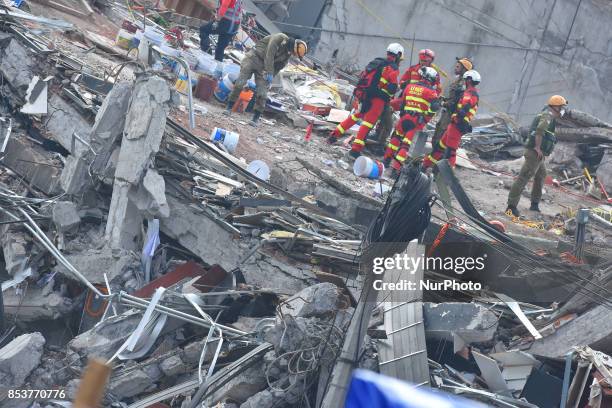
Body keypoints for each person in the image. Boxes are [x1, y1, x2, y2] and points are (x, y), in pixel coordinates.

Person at [328, 43, 402, 160]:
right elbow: (392, 88)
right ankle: (355, 150)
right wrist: (396, 88)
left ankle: (333, 135)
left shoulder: (377, 61)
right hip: (378, 100)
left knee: (356, 116)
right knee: (367, 124)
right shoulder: (392, 67)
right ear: (398, 55)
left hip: (365, 94)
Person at [224, 33, 307, 126]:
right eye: (294, 53)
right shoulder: (279, 38)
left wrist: (271, 77)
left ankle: (255, 118)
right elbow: (269, 55)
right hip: (253, 58)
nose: (293, 55)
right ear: (293, 47)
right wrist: (269, 72)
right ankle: (229, 107)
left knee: (262, 93)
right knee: (240, 83)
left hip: (264, 68)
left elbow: (279, 66)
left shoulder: (287, 54)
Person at [506, 95, 568, 216]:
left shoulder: (549, 116)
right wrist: (538, 147)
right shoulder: (547, 116)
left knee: (541, 176)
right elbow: (539, 130)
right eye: (561, 107)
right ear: (555, 107)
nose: (562, 110)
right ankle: (511, 207)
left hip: (539, 155)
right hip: (534, 154)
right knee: (523, 178)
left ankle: (534, 204)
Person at [384, 66, 440, 176]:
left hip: (404, 118)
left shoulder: (409, 86)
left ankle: (386, 161)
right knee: (405, 145)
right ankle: (395, 169)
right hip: (416, 121)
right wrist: (425, 119)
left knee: (395, 139)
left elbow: (403, 103)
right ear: (431, 79)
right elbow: (434, 108)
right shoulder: (432, 93)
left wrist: (403, 115)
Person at [423, 70, 480, 168]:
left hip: (457, 125)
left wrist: (458, 116)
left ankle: (448, 177)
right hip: (453, 125)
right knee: (439, 148)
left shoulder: (470, 93)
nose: (464, 82)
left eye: (466, 79)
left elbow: (465, 107)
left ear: (469, 80)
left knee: (450, 152)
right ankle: (425, 165)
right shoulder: (468, 92)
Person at [432, 57, 473, 149]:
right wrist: (444, 99)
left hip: (451, 114)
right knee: (438, 131)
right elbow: (453, 98)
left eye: (458, 67)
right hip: (447, 111)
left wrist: (443, 103)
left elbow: (456, 102)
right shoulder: (457, 81)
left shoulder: (463, 84)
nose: (455, 68)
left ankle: (437, 158)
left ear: (464, 70)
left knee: (441, 136)